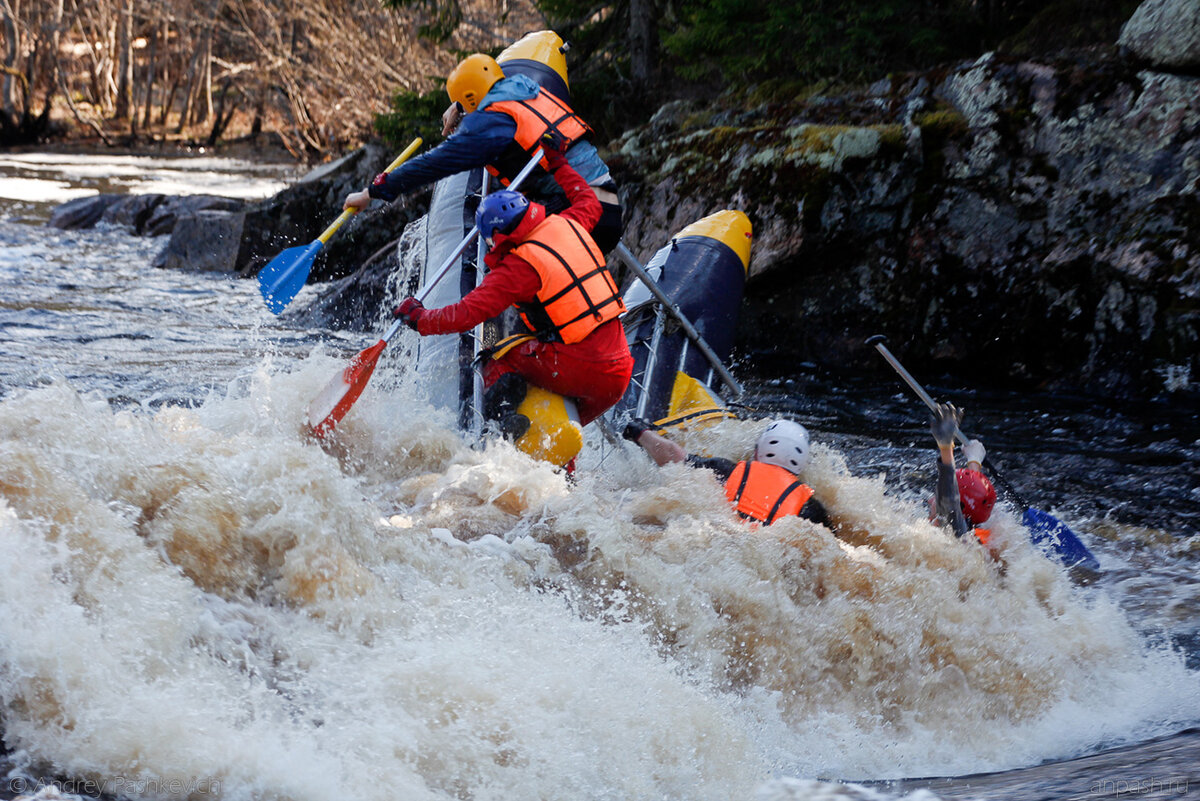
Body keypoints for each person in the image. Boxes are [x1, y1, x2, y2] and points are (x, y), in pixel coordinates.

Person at [391, 144, 632, 439]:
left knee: (495, 358)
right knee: (557, 432)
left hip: (582, 366)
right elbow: (585, 196)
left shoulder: (518, 267)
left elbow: (467, 314)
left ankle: (498, 427)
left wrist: (419, 318)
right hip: (619, 368)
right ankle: (561, 473)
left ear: (495, 237)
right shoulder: (570, 222)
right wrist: (557, 161)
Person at [344, 53, 623, 254]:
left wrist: (372, 192)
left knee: (503, 256)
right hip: (607, 204)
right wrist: (463, 113)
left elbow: (434, 164)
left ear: (467, 99)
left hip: (579, 212)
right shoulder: (525, 91)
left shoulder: (490, 120)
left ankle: (521, 334)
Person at [623, 418, 832, 528]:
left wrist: (641, 432)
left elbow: (672, 456)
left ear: (758, 450)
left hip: (721, 540)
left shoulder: (727, 470)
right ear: (801, 464)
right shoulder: (810, 508)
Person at [929, 402, 997, 545]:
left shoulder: (951, 534)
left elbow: (949, 500)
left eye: (937, 497)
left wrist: (946, 447)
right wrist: (974, 460)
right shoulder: (975, 536)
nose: (930, 499)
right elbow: (971, 492)